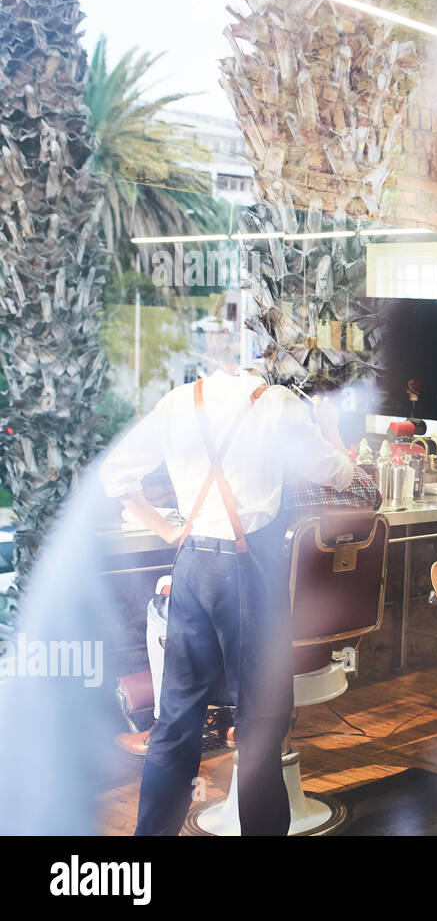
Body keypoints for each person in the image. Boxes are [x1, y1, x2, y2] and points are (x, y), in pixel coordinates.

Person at [98, 353, 357, 836]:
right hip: (250, 570)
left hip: (193, 563)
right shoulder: (277, 403)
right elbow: (337, 474)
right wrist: (330, 425)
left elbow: (115, 475)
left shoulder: (178, 402)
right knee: (261, 724)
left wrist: (167, 531)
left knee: (175, 723)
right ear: (260, 359)